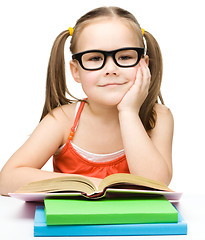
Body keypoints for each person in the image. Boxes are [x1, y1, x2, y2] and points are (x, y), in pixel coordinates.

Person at [0, 6, 173, 196]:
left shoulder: (158, 117)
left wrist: (129, 112)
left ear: (144, 64)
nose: (111, 69)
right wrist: (97, 185)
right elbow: (7, 180)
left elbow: (155, 185)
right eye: (95, 58)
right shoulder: (63, 120)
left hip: (133, 225)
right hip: (71, 225)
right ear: (76, 71)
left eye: (124, 56)